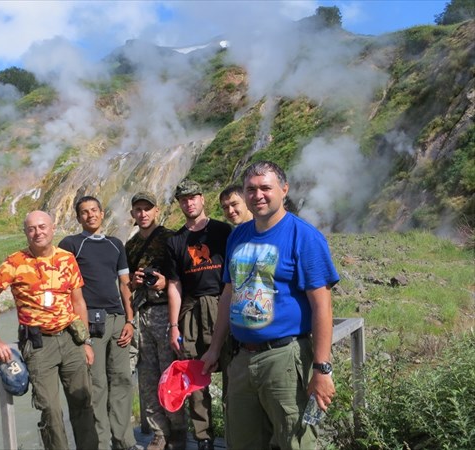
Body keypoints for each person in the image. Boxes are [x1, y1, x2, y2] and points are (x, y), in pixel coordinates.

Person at [200, 161, 339, 450]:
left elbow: (322, 306)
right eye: (251, 189)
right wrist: (215, 348)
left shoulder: (305, 236)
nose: (258, 195)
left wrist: (322, 369)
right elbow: (229, 293)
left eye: (266, 187)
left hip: (284, 359)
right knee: (242, 442)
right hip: (240, 359)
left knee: (295, 442)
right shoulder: (238, 235)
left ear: (284, 190)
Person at [0, 210, 98, 450]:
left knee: (82, 402)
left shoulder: (67, 258)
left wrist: (86, 342)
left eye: (42, 227)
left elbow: (79, 302)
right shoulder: (14, 263)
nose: (37, 232)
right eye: (31, 228)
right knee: (50, 410)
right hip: (39, 346)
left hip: (72, 340)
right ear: (25, 233)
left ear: (53, 228)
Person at [58, 196, 140, 450]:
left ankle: (124, 441)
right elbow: (64, 287)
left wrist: (130, 320)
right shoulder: (71, 244)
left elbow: (124, 284)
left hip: (117, 320)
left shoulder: (115, 245)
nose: (90, 215)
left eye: (94, 210)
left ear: (102, 213)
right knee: (97, 385)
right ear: (78, 217)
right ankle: (101, 444)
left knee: (122, 380)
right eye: (84, 212)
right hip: (90, 322)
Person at [165, 179, 232, 450]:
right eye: (183, 199)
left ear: (202, 198)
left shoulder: (223, 231)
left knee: (232, 370)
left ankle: (235, 431)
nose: (188, 202)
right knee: (194, 376)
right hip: (191, 311)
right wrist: (173, 325)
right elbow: (174, 285)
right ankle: (203, 437)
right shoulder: (176, 240)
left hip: (222, 303)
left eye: (192, 197)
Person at [126, 192, 188, 450]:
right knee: (148, 375)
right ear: (133, 214)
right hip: (142, 313)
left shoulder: (171, 238)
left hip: (165, 312)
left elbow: (183, 276)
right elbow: (126, 282)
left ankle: (178, 430)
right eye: (138, 209)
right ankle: (158, 432)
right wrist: (134, 281)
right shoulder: (129, 246)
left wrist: (164, 282)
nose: (143, 214)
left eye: (147, 209)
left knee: (170, 373)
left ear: (156, 211)